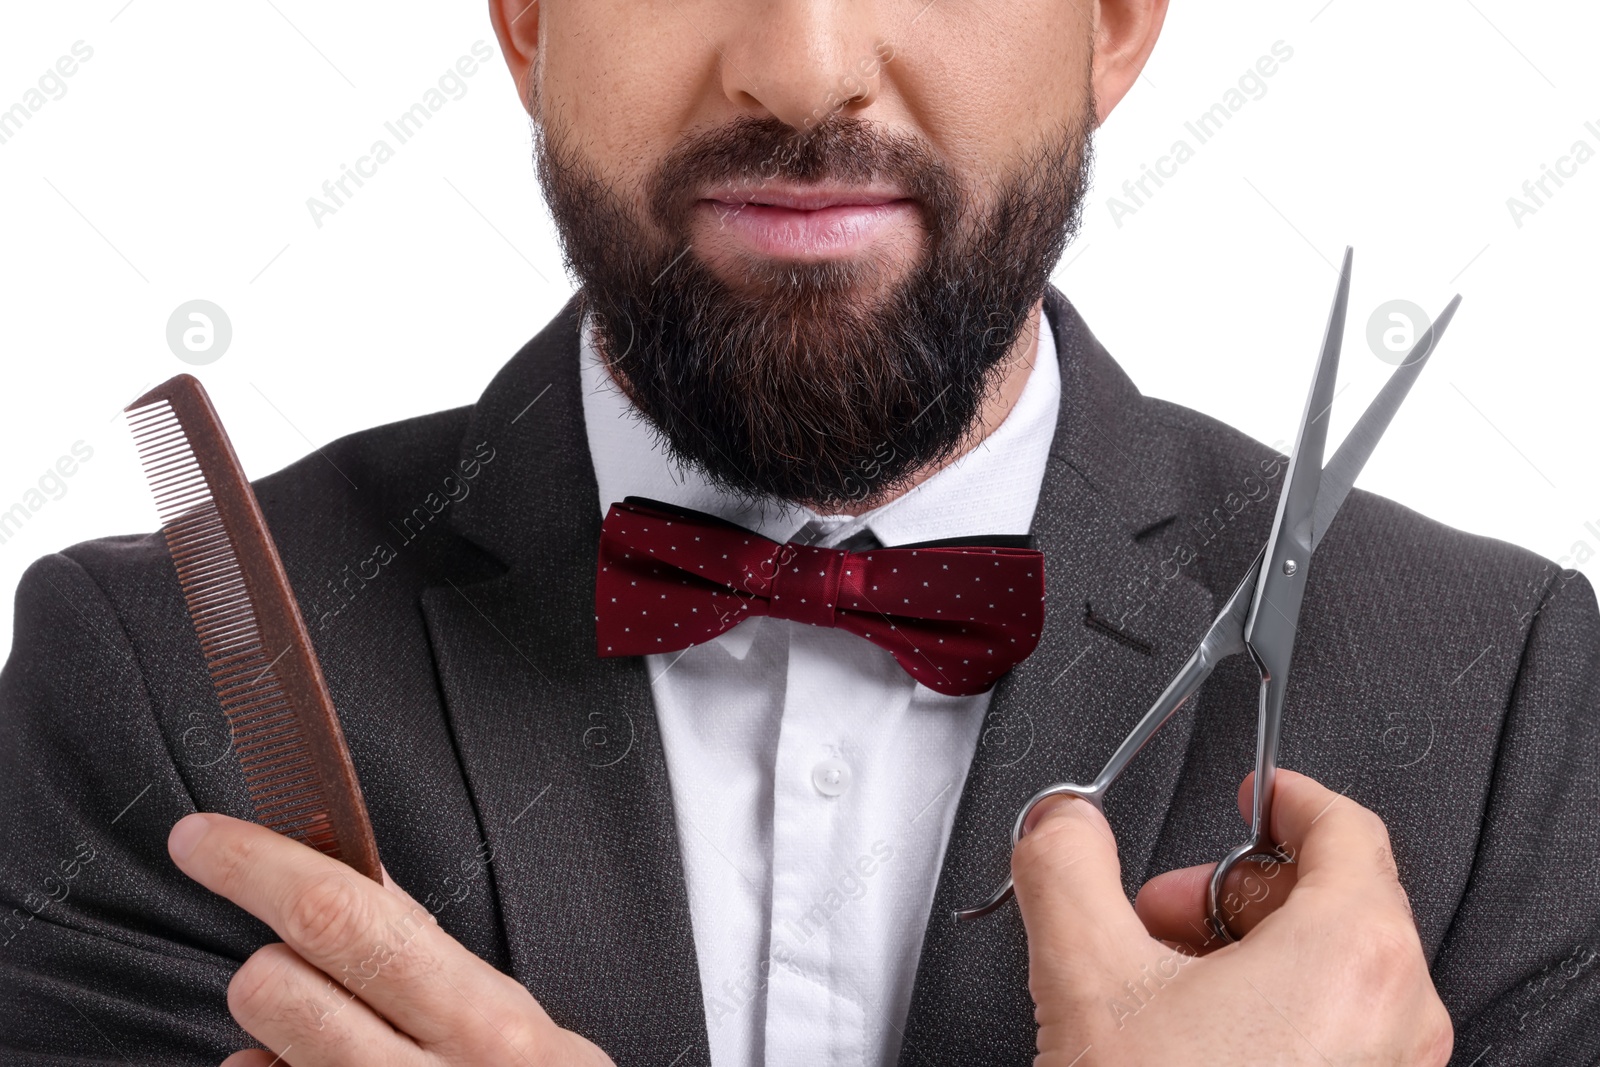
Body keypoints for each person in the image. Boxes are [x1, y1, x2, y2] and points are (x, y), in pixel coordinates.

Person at [1, 0, 1596, 1063]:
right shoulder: (156, 688)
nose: (803, 61)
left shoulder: (1503, 698)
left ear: (1112, 24)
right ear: (528, 19)